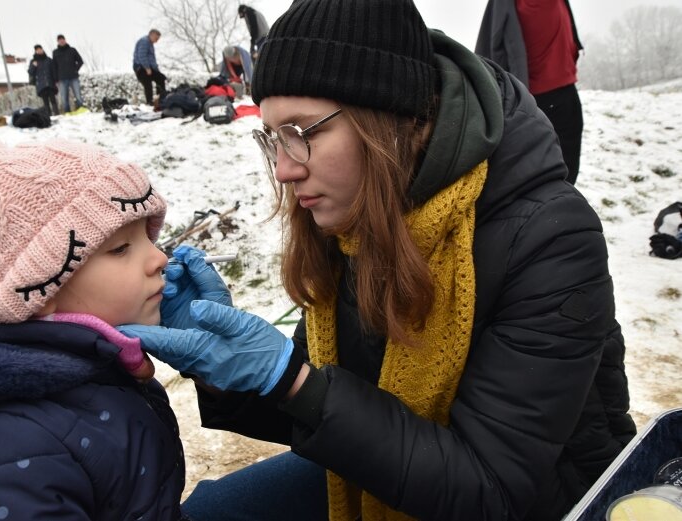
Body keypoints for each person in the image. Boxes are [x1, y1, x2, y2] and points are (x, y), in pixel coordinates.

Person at [118, 0, 637, 520]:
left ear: (395, 119)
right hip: (398, 471)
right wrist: (221, 366)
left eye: (303, 133)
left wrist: (290, 380)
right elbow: (315, 409)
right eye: (273, 138)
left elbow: (491, 491)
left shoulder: (549, 237)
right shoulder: (354, 215)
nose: (282, 169)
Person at [0, 139, 193, 520]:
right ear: (39, 289)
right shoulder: (9, 449)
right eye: (121, 248)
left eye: (147, 237)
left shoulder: (95, 368)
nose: (159, 258)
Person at [476, 0, 584, 184]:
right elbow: (488, 48)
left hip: (566, 93)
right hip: (530, 102)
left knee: (567, 172)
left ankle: (562, 206)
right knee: (531, 176)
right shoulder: (503, 4)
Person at [133, 29, 167, 106]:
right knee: (147, 83)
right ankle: (149, 102)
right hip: (141, 67)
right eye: (156, 38)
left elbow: (151, 59)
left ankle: (161, 99)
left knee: (161, 78)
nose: (157, 41)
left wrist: (157, 70)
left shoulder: (150, 43)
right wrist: (147, 67)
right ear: (151, 35)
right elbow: (142, 55)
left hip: (148, 67)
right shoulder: (144, 42)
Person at [52, 34, 84, 113]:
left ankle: (81, 109)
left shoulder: (72, 50)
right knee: (64, 97)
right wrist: (56, 79)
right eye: (59, 40)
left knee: (78, 95)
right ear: (58, 42)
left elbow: (80, 61)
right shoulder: (55, 52)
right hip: (62, 78)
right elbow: (54, 66)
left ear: (65, 40)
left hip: (73, 77)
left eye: (62, 39)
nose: (61, 41)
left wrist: (75, 69)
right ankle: (67, 112)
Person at [28, 44, 59, 116]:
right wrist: (33, 66)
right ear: (35, 52)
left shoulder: (48, 60)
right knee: (45, 101)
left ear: (42, 50)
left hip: (50, 82)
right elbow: (30, 72)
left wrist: (56, 80)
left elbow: (53, 70)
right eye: (37, 50)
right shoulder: (33, 61)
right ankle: (49, 115)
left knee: (53, 99)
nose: (39, 51)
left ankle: (57, 113)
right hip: (41, 84)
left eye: (40, 49)